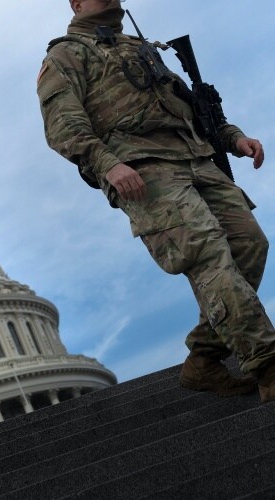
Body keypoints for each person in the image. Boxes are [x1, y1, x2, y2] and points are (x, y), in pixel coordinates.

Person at [37, 0, 275, 402]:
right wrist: (108, 165)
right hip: (143, 171)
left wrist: (232, 137)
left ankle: (204, 357)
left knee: (250, 244)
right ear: (75, 3)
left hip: (196, 157)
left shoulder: (138, 46)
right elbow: (62, 124)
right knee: (207, 254)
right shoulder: (65, 55)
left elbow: (188, 105)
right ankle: (268, 363)